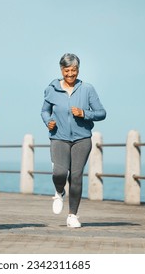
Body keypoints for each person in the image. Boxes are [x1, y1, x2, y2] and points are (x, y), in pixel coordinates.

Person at [41, 53, 106, 228]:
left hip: (82, 138)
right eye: (67, 70)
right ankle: (59, 191)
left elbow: (101, 113)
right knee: (60, 174)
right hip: (58, 137)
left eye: (74, 70)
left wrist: (85, 113)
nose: (70, 74)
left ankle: (72, 215)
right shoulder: (52, 89)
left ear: (78, 70)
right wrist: (48, 122)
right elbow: (44, 111)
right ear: (61, 70)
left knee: (76, 176)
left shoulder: (87, 89)